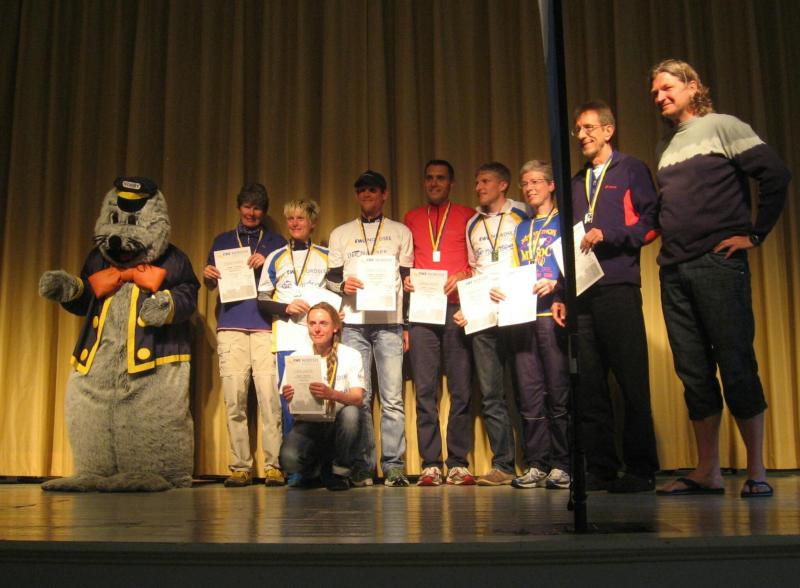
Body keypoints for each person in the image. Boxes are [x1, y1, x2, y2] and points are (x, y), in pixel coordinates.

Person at [650, 59, 791, 497]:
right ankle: (706, 470)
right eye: (655, 92)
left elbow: (775, 174)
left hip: (717, 264)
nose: (659, 97)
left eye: (667, 88)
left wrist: (755, 233)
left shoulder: (723, 126)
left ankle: (756, 470)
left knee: (735, 363)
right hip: (674, 270)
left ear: (693, 87)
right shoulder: (667, 146)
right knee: (693, 372)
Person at [552, 101, 660, 493]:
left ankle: (641, 469)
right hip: (582, 294)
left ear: (608, 130)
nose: (582, 135)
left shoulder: (631, 169)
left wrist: (610, 235)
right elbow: (568, 240)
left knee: (631, 381)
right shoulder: (576, 182)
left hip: (618, 288)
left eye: (589, 128)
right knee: (590, 386)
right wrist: (561, 292)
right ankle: (601, 467)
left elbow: (651, 223)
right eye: (578, 129)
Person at [326, 170, 414, 487]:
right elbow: (330, 278)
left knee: (392, 399)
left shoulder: (401, 232)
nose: (366, 194)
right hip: (353, 324)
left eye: (373, 189)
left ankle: (393, 466)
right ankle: (363, 466)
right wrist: (342, 285)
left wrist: (406, 324)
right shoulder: (340, 233)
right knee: (360, 399)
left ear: (384, 194)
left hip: (390, 323)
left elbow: (408, 280)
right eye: (361, 189)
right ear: (356, 195)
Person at [204, 183, 287, 487]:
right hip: (231, 326)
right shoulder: (223, 240)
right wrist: (208, 275)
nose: (251, 213)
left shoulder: (276, 242)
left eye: (258, 208)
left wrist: (269, 265)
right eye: (247, 207)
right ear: (239, 207)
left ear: (264, 211)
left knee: (269, 399)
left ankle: (274, 465)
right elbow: (211, 283)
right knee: (234, 399)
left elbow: (288, 281)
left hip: (265, 326)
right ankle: (240, 466)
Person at [495, 160, 571, 490]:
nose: (529, 188)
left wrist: (559, 286)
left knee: (558, 391)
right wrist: (500, 290)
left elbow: (576, 266)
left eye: (536, 182)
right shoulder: (521, 228)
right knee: (529, 394)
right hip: (522, 317)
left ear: (551, 185)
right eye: (525, 184)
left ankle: (563, 464)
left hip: (552, 317)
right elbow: (514, 268)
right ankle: (537, 463)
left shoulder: (565, 222)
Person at [454, 161, 529, 486]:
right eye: (476, 182)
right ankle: (503, 465)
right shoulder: (473, 223)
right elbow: (475, 269)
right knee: (491, 394)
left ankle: (539, 462)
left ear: (503, 184)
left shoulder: (523, 213)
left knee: (527, 389)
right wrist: (467, 304)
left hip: (518, 309)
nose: (478, 187)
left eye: (485, 181)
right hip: (483, 316)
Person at [403, 160, 476, 486]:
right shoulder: (411, 218)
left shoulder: (467, 216)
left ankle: (458, 462)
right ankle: (431, 463)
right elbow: (404, 263)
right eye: (429, 178)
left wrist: (464, 275)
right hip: (422, 312)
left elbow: (479, 263)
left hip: (457, 309)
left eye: (441, 178)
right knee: (425, 391)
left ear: (451, 183)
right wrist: (406, 279)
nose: (434, 183)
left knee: (461, 389)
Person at [257, 199, 330, 440]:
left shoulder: (327, 256)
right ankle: (293, 457)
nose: (295, 223)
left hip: (319, 337)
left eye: (300, 218)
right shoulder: (275, 256)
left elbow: (337, 294)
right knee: (290, 398)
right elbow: (262, 299)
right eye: (290, 218)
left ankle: (320, 458)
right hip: (287, 337)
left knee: (319, 396)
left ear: (313, 223)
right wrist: (286, 307)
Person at [280, 302, 365, 491]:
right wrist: (289, 396)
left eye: (323, 323)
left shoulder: (351, 355)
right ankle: (313, 472)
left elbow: (358, 398)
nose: (317, 329)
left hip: (339, 422)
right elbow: (291, 406)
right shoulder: (297, 356)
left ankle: (339, 471)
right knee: (289, 460)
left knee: (351, 414)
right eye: (312, 323)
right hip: (311, 422)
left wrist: (332, 394)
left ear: (335, 327)